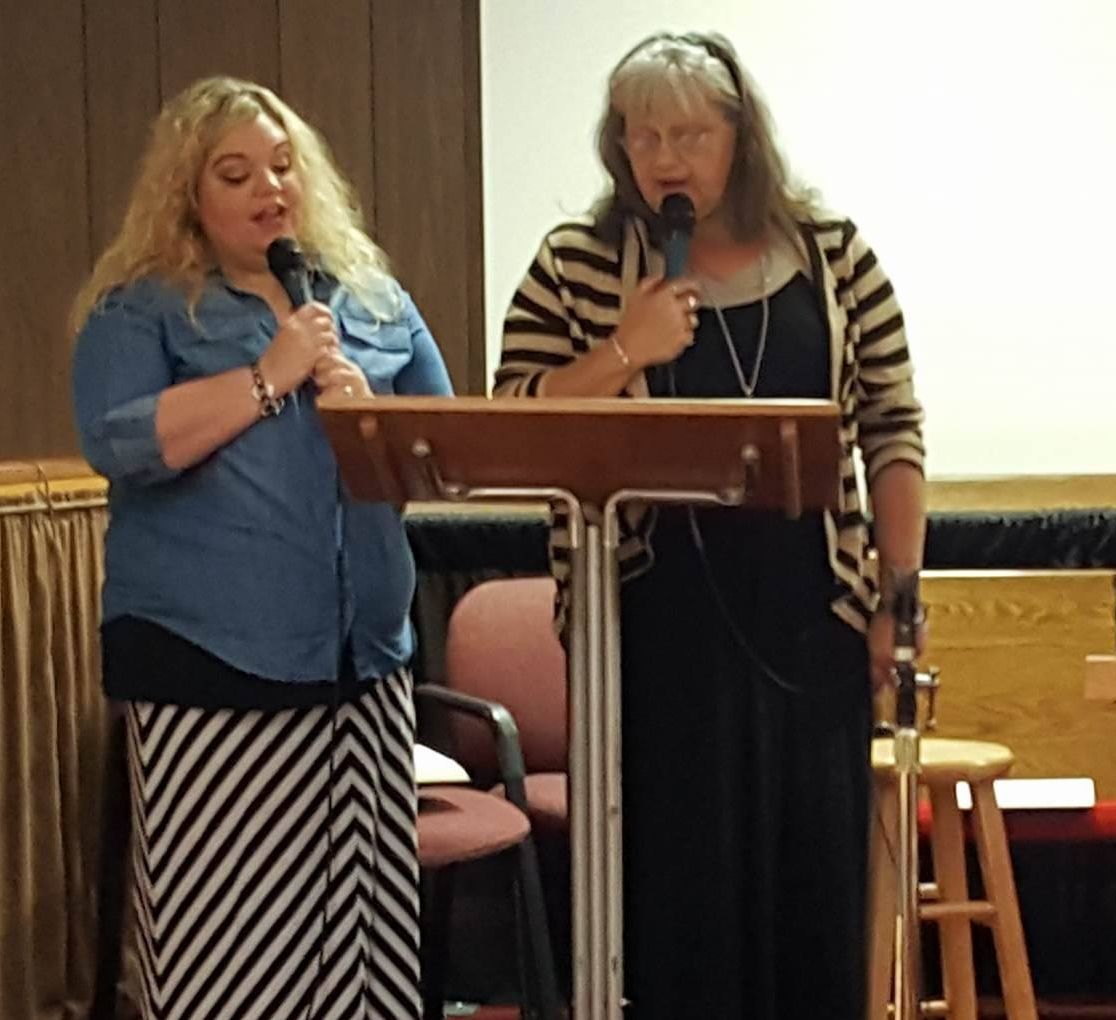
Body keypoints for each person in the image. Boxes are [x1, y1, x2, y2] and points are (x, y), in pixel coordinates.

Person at [494, 31, 926, 1019]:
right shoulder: (575, 263)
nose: (665, 158)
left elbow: (893, 429)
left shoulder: (833, 254)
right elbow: (515, 422)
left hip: (810, 617)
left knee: (812, 898)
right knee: (679, 913)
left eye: (689, 134)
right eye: (641, 135)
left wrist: (896, 600)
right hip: (650, 628)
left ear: (741, 136)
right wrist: (623, 350)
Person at [71, 76, 452, 1020]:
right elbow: (120, 439)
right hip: (212, 672)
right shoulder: (144, 309)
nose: (268, 189)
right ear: (188, 196)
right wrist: (266, 377)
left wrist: (373, 419)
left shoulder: (371, 299)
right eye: (235, 174)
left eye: (282, 167)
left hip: (363, 670)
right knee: (229, 957)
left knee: (363, 959)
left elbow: (447, 453)